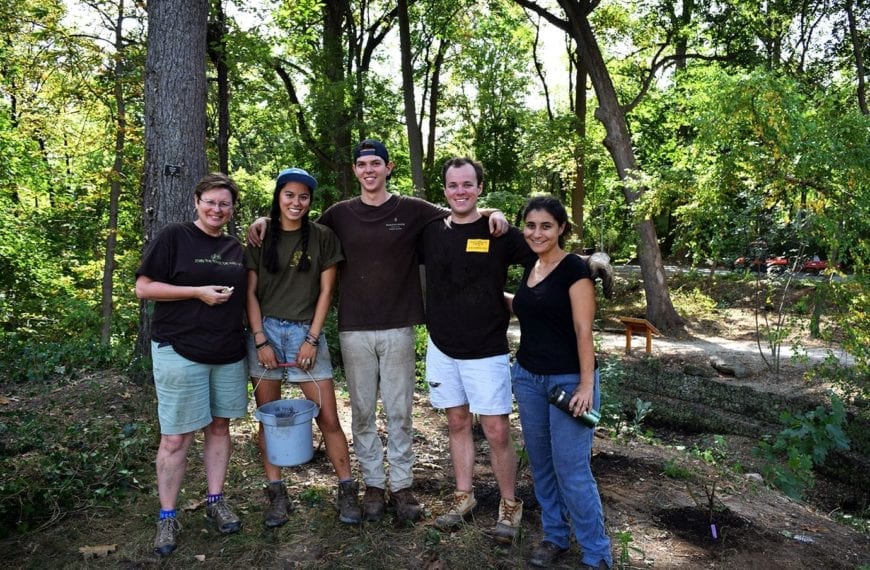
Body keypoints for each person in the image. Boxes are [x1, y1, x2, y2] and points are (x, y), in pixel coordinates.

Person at [247, 139, 508, 523]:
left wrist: (494, 211)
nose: (369, 170)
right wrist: (265, 220)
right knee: (363, 413)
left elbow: (459, 210)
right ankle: (372, 486)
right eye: (362, 164)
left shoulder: (412, 210)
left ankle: (402, 488)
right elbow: (298, 225)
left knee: (400, 412)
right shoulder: (339, 215)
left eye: (376, 163)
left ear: (388, 168)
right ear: (355, 171)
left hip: (399, 327)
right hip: (354, 330)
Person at [421, 157, 535, 542]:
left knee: (497, 429)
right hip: (442, 346)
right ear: (444, 191)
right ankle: (464, 496)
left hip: (486, 348)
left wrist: (588, 264)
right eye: (453, 185)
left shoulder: (499, 231)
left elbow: (545, 257)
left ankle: (509, 503)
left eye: (467, 185)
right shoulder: (431, 231)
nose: (460, 192)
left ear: (480, 188)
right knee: (456, 422)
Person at [135, 173, 248, 557]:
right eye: (211, 202)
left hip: (228, 351)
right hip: (179, 349)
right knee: (176, 437)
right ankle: (167, 515)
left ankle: (216, 500)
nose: (217, 209)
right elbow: (144, 287)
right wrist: (197, 292)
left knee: (219, 427)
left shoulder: (236, 247)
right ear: (197, 202)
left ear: (232, 210)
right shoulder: (173, 237)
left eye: (225, 204)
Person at [245, 167, 362, 527]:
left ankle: (346, 490)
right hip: (264, 332)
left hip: (304, 332)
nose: (296, 202)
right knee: (270, 419)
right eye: (289, 195)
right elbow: (249, 292)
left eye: (304, 196)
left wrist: (312, 338)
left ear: (311, 201)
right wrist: (260, 339)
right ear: (278, 196)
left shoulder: (323, 237)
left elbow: (328, 290)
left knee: (327, 416)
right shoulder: (260, 237)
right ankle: (277, 495)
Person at [508, 195, 613, 569]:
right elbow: (530, 305)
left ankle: (597, 555)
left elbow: (584, 331)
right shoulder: (532, 267)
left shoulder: (575, 271)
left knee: (572, 469)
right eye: (531, 225)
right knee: (542, 465)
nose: (537, 233)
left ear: (562, 228)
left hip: (568, 382)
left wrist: (587, 386)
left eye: (546, 226)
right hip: (528, 379)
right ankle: (555, 537)